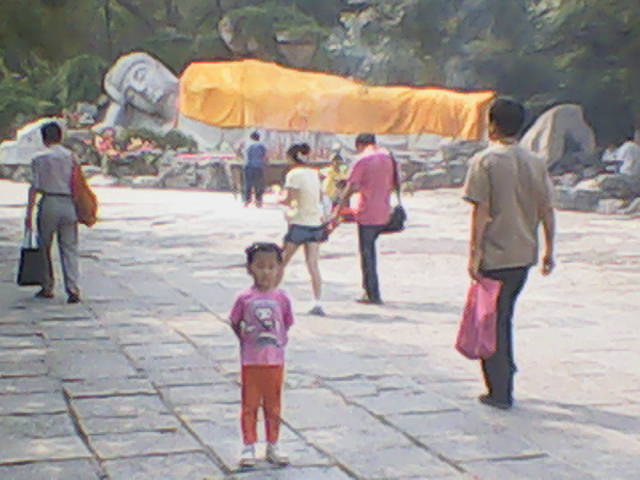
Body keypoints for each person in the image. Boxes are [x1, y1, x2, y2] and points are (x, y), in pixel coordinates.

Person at [463, 98, 556, 410]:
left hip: (495, 254)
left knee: (492, 321)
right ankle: (507, 370)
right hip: (524, 254)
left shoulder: (485, 161)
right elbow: (546, 209)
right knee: (505, 315)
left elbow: (481, 211)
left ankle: (499, 389)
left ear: (492, 124)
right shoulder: (536, 162)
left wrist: (474, 253)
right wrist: (549, 249)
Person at [229, 242, 294, 468]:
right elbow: (234, 321)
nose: (266, 272)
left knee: (273, 405)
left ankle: (273, 443)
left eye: (271, 267)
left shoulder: (282, 298)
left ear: (279, 269)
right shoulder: (244, 298)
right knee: (250, 404)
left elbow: (287, 322)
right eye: (260, 266)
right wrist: (245, 340)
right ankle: (249, 444)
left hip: (275, 361)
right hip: (251, 361)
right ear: (250, 269)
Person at [333, 133, 395, 305]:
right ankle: (371, 291)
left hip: (367, 212)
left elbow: (351, 187)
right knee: (371, 251)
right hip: (385, 211)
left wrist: (338, 209)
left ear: (359, 145)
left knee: (367, 254)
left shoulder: (363, 159)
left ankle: (371, 293)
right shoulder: (388, 157)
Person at [24, 122, 81, 304]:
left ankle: (47, 285)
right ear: (60, 136)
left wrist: (29, 213)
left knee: (44, 246)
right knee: (69, 247)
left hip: (48, 202)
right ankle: (73, 288)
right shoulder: (71, 157)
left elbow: (34, 187)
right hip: (68, 203)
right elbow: (77, 183)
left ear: (43, 138)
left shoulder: (38, 158)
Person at [280, 143, 327, 316]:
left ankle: (269, 294)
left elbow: (290, 200)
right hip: (315, 223)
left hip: (299, 222)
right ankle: (317, 301)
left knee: (281, 262)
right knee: (313, 264)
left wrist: (279, 198)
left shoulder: (293, 174)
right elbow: (320, 197)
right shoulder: (314, 173)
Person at [243, 131, 267, 207]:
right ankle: (258, 201)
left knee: (248, 184)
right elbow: (264, 156)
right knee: (258, 184)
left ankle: (247, 200)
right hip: (259, 167)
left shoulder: (248, 145)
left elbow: (245, 155)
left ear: (251, 138)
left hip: (249, 166)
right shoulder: (262, 146)